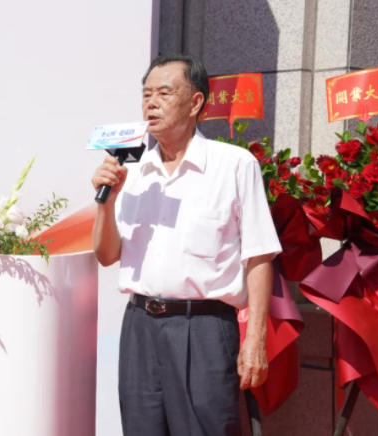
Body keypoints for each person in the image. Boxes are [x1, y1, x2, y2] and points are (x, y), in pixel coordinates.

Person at [91, 54, 282, 436]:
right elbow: (107, 254)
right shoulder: (133, 172)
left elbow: (259, 256)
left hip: (204, 330)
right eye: (146, 94)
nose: (151, 104)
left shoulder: (234, 165)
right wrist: (106, 204)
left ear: (195, 103)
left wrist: (256, 338)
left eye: (164, 93)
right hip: (140, 328)